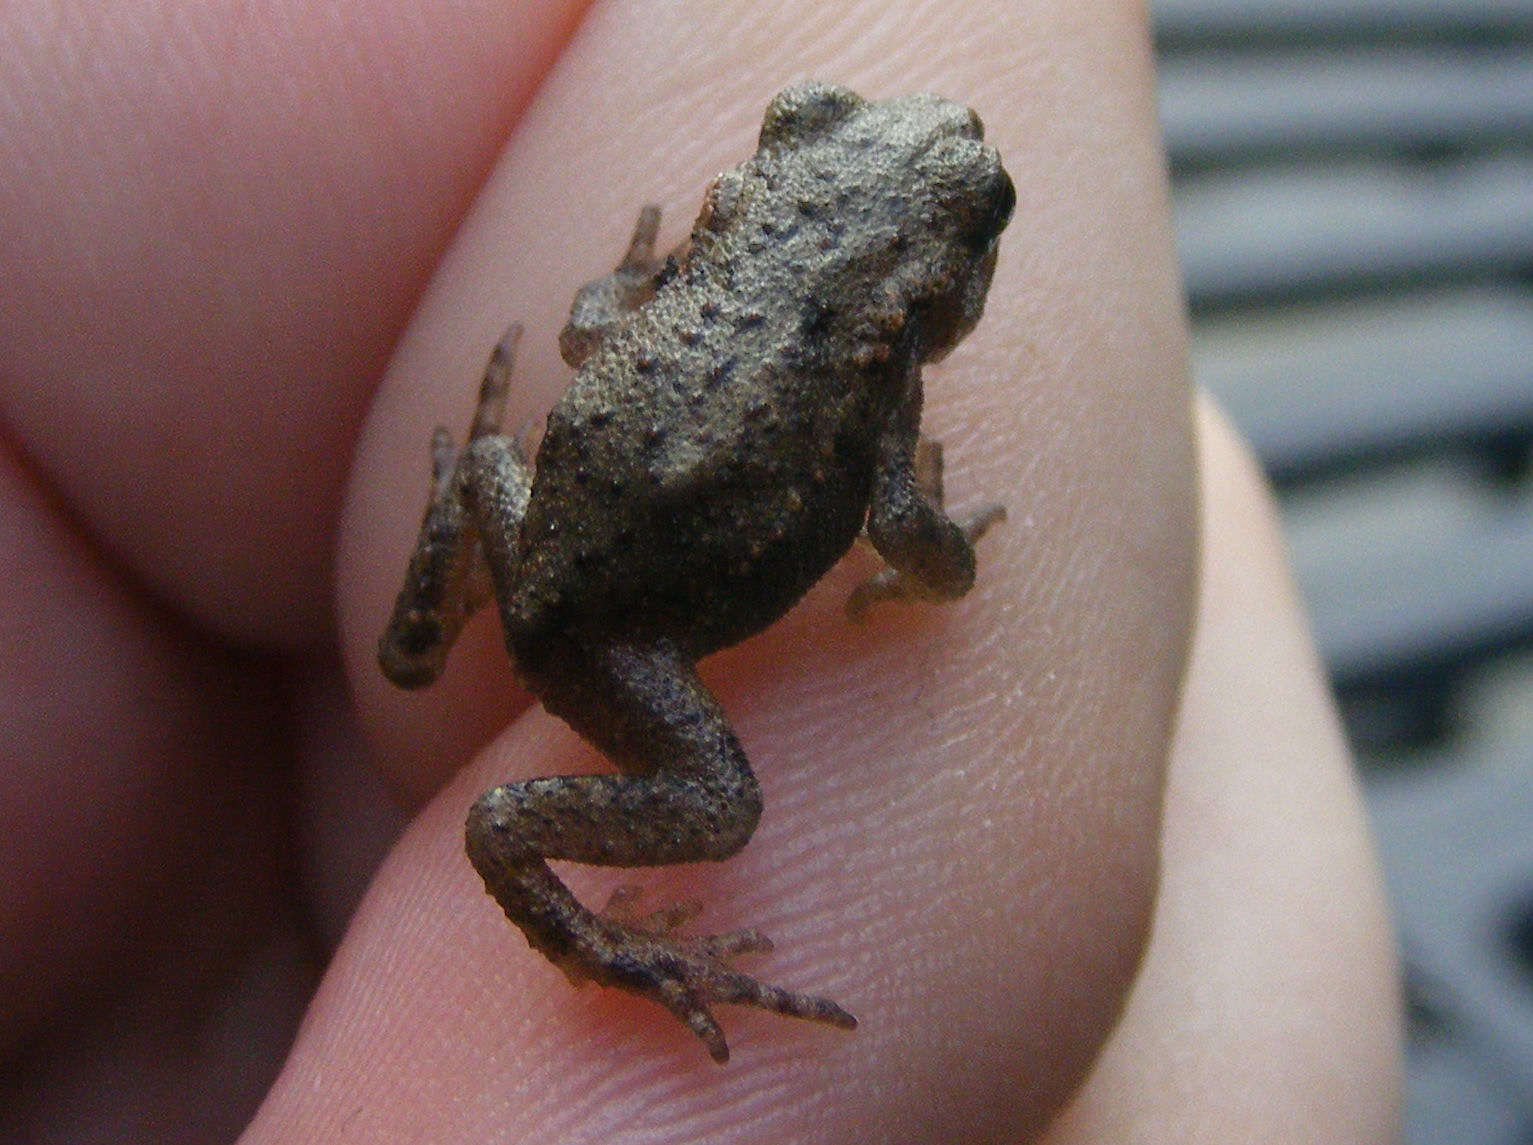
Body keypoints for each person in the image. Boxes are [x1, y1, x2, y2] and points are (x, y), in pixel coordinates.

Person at [0, 0, 1401, 1140]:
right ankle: (594, 942)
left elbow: (592, 314)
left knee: (489, 493)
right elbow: (916, 553)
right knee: (714, 802)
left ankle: (443, 607)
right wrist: (940, 560)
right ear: (933, 306)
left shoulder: (785, 328)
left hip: (540, 518)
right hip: (609, 641)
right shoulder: (882, 396)